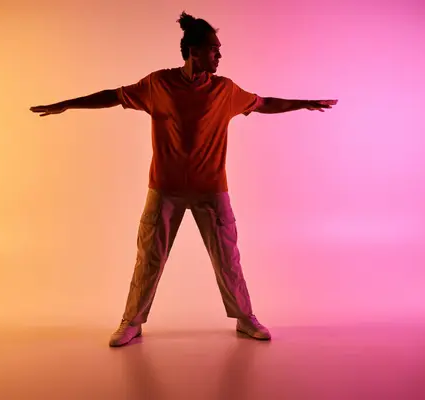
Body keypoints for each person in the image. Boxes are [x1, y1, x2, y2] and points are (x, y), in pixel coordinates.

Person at [30, 11, 337, 347]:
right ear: (194, 51)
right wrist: (66, 105)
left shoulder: (225, 90)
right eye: (213, 49)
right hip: (165, 190)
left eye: (219, 50)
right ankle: (131, 322)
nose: (219, 55)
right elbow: (113, 96)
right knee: (149, 257)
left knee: (227, 259)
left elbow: (265, 103)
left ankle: (244, 319)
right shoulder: (158, 84)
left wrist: (304, 103)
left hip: (212, 191)